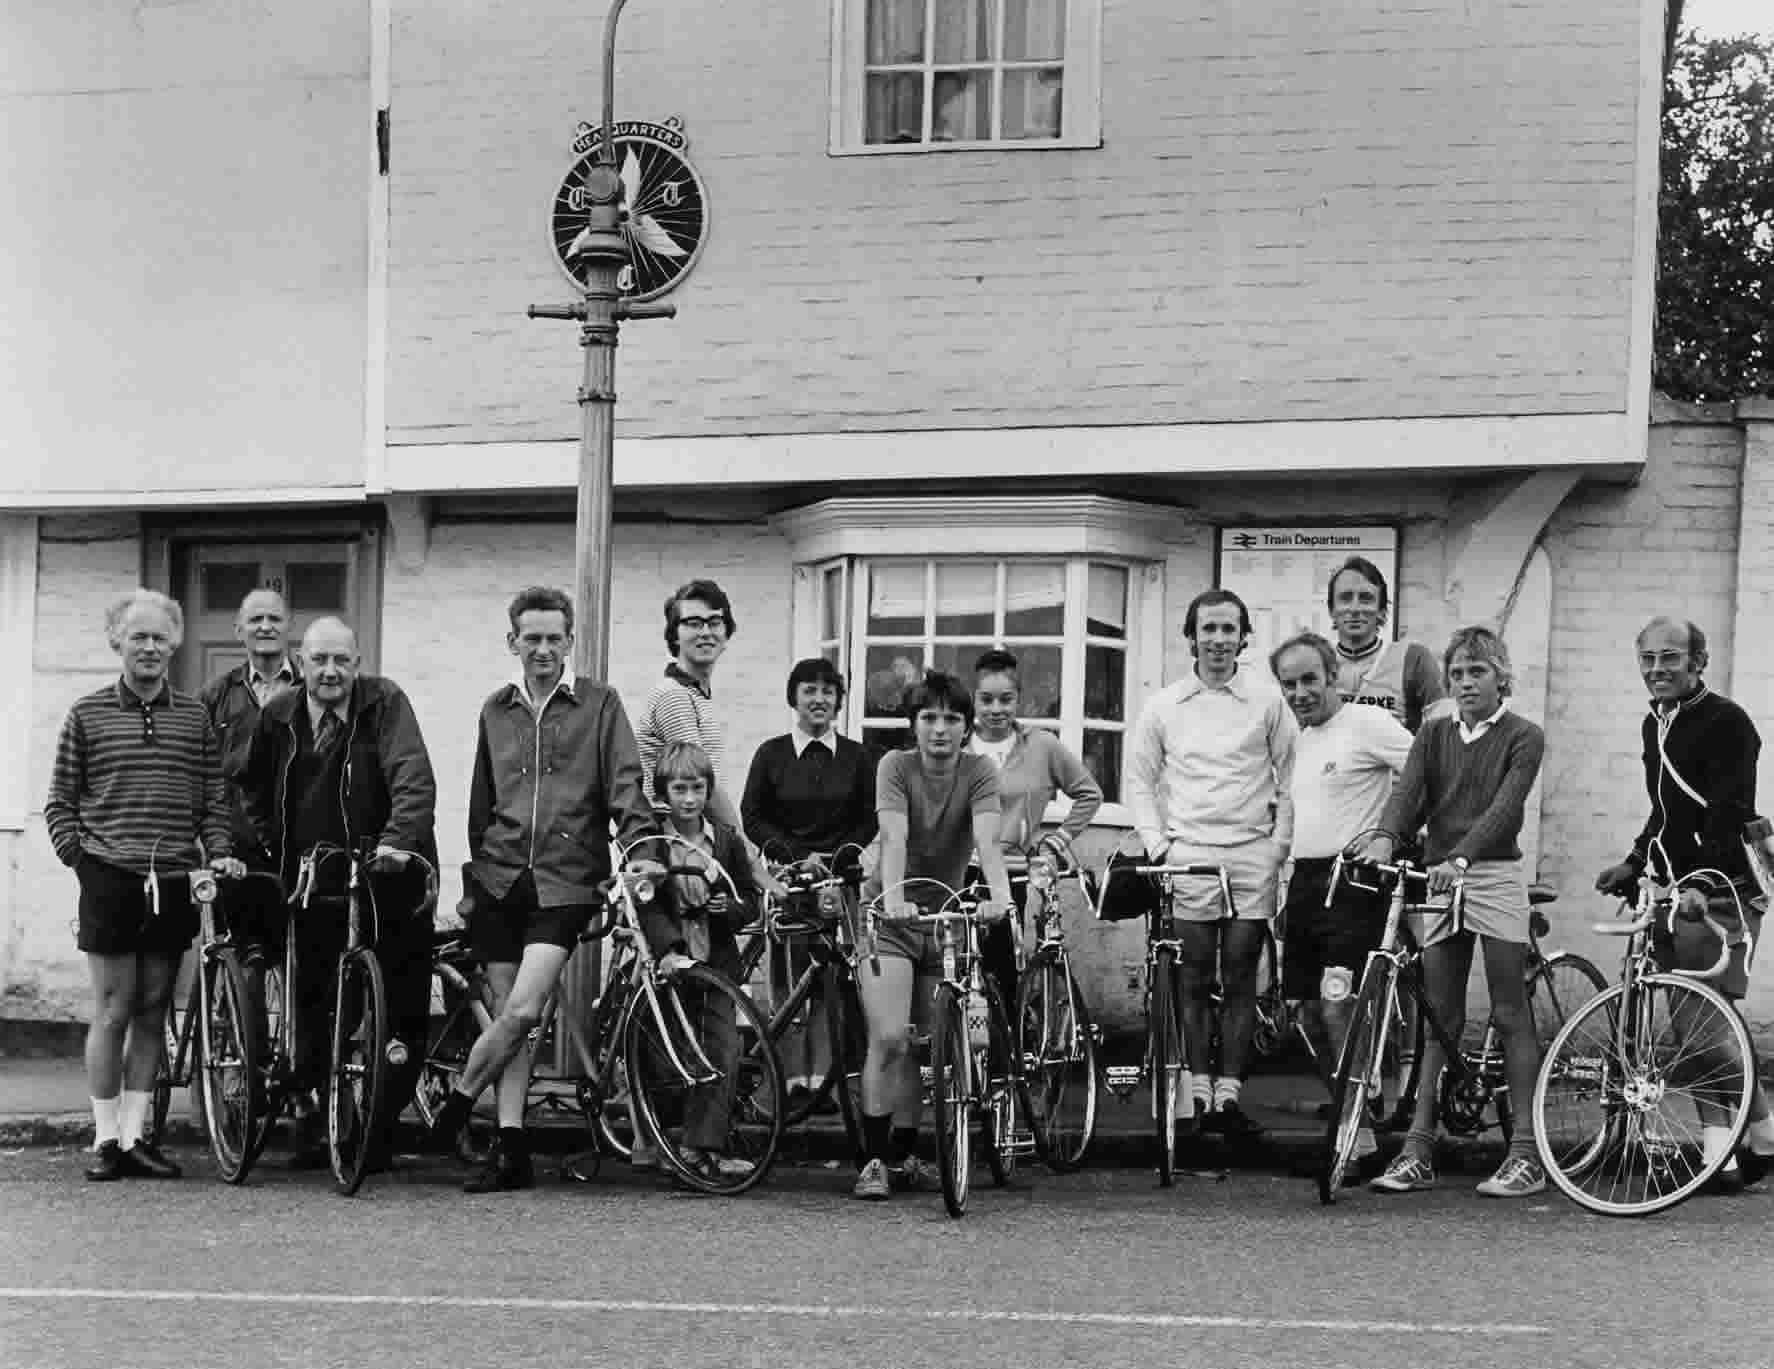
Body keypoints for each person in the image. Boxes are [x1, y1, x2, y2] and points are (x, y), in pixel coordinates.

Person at [423, 587, 657, 1192]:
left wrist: (644, 854)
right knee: (510, 1019)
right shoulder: (494, 710)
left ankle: (456, 1103)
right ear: (514, 643)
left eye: (555, 639)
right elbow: (482, 803)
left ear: (570, 642)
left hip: (566, 881)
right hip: (500, 880)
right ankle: (511, 1146)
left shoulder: (600, 706)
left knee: (526, 1008)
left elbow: (628, 789)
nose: (544, 649)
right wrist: (480, 868)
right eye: (533, 639)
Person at [44, 589, 243, 1182]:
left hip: (175, 876)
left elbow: (212, 800)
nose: (150, 647)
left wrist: (220, 853)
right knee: (112, 1009)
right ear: (117, 642)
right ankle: (105, 1140)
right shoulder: (86, 714)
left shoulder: (194, 717)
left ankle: (136, 1136)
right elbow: (60, 801)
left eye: (160, 637)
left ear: (175, 643)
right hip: (108, 876)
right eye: (138, 636)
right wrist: (81, 861)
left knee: (154, 1007)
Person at [238, 616, 438, 1168]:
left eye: (341, 661)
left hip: (385, 872)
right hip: (314, 876)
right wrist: (266, 850)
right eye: (319, 660)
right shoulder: (278, 713)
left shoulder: (385, 703)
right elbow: (251, 790)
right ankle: (314, 1110)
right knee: (314, 998)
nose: (331, 672)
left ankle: (378, 1125)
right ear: (301, 664)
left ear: (357, 663)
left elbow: (412, 777)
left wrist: (398, 842)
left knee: (400, 1001)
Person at [1359, 626, 1547, 1198]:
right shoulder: (1434, 734)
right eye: (1459, 673)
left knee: (1509, 1010)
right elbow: (1407, 794)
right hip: (1440, 875)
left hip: (1489, 872)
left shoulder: (1524, 736)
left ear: (1501, 677)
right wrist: (1385, 838)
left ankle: (1527, 1155)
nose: (1467, 683)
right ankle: (1418, 1148)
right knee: (1440, 1016)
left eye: (1478, 672)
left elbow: (1503, 808)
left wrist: (1462, 857)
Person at [1594, 616, 1774, 1191]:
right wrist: (1634, 857)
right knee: (1689, 1027)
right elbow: (1666, 810)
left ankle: (1764, 1127)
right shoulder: (1658, 724)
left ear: (1698, 662)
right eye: (1647, 659)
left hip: (1721, 888)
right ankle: (1720, 1152)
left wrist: (1703, 880)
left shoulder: (1729, 723)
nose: (1657, 669)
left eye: (1670, 657)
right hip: (1678, 886)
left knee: (1704, 1024)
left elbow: (1726, 809)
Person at [1125, 589, 1296, 1139]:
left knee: (1241, 976)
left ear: (1243, 636)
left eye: (1228, 629)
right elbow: (1140, 780)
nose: (1218, 640)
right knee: (1193, 979)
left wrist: (1278, 846)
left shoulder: (1268, 702)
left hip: (1250, 855)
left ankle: (1229, 1097)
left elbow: (1292, 777)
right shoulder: (1165, 705)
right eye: (1208, 629)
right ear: (1191, 636)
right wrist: (1159, 846)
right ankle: (1195, 1094)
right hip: (1190, 855)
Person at [853, 671, 1015, 1201]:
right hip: (890, 918)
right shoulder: (894, 767)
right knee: (891, 1037)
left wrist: (999, 896)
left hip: (944, 919)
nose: (940, 729)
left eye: (951, 719)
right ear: (914, 725)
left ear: (967, 728)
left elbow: (988, 841)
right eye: (929, 718)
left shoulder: (980, 770)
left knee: (928, 1049)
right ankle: (875, 1159)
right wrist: (895, 896)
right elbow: (894, 835)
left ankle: (905, 1156)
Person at [1270, 631, 1412, 1156]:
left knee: (1338, 1007)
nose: (1301, 692)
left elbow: (1424, 771)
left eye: (1310, 679)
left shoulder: (1367, 724)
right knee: (1306, 1015)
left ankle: (1360, 1137)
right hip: (1306, 882)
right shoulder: (1300, 741)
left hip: (1354, 883)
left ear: (1333, 676)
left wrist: (1390, 835)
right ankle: (1355, 1118)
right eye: (1290, 684)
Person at [740, 657, 879, 1105]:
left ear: (838, 699)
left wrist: (835, 858)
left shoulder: (859, 757)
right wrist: (797, 858)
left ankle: (827, 1079)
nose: (818, 699)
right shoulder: (771, 754)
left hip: (840, 884)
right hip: (788, 882)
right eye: (809, 690)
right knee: (788, 978)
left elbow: (868, 819)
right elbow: (753, 816)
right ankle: (789, 1078)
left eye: (827, 691)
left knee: (836, 982)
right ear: (793, 698)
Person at [634, 740, 761, 1183]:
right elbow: (646, 903)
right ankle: (668, 1141)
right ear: (665, 793)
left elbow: (750, 898)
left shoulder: (724, 841)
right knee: (674, 1054)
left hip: (718, 961)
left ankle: (701, 1146)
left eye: (698, 789)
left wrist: (735, 909)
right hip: (674, 963)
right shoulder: (655, 841)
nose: (690, 799)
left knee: (722, 1049)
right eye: (680, 789)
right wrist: (666, 949)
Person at [968, 648, 1102, 1008]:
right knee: (957, 969)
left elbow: (1089, 794)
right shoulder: (958, 744)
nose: (996, 709)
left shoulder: (1041, 746)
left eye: (1006, 699)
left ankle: (1006, 1057)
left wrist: (1056, 842)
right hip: (957, 870)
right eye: (986, 699)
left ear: (1018, 700)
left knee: (1002, 971)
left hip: (1010, 872)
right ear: (973, 699)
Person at [199, 589, 297, 951]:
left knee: (303, 958)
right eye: (256, 619)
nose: (266, 626)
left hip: (298, 846)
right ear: (238, 629)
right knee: (244, 958)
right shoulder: (215, 696)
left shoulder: (312, 688)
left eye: (275, 618)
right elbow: (200, 774)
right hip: (236, 849)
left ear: (290, 626)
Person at [1326, 556, 1449, 734]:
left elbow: (1444, 729)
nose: (1354, 608)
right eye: (1345, 598)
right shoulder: (1319, 662)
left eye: (1365, 599)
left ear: (1382, 611)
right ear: (1332, 610)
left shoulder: (1414, 659)